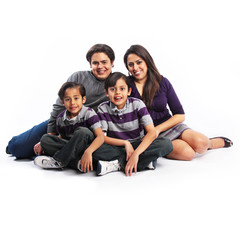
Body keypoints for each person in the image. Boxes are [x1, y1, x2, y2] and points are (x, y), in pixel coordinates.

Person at [123, 45, 233, 161]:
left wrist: (158, 129)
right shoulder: (125, 85)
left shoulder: (162, 82)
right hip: (148, 135)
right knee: (188, 154)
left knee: (201, 143)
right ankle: (179, 145)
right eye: (130, 64)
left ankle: (210, 143)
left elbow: (180, 115)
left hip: (168, 125)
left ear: (147, 61)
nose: (135, 67)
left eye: (139, 62)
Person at [6, 44, 115, 159]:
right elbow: (59, 107)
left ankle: (50, 154)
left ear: (112, 62)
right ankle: (23, 147)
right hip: (63, 123)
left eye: (104, 62)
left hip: (85, 130)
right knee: (16, 148)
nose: (100, 66)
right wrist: (51, 135)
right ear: (90, 64)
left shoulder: (117, 83)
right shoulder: (78, 77)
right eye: (95, 63)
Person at [93, 72, 173, 176]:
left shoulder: (137, 104)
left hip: (137, 145)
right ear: (106, 92)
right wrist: (125, 143)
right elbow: (102, 137)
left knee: (166, 144)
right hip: (116, 146)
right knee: (93, 150)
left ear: (129, 91)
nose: (117, 93)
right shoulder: (102, 108)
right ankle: (144, 162)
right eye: (113, 89)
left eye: (122, 89)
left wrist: (136, 153)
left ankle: (117, 164)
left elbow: (152, 132)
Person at [34, 82, 104, 171]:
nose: (72, 103)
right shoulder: (60, 119)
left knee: (82, 131)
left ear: (83, 99)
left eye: (76, 98)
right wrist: (44, 143)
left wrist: (88, 151)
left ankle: (59, 160)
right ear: (63, 102)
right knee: (45, 139)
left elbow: (100, 136)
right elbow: (62, 137)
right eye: (68, 99)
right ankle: (76, 163)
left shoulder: (89, 113)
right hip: (71, 147)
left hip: (88, 146)